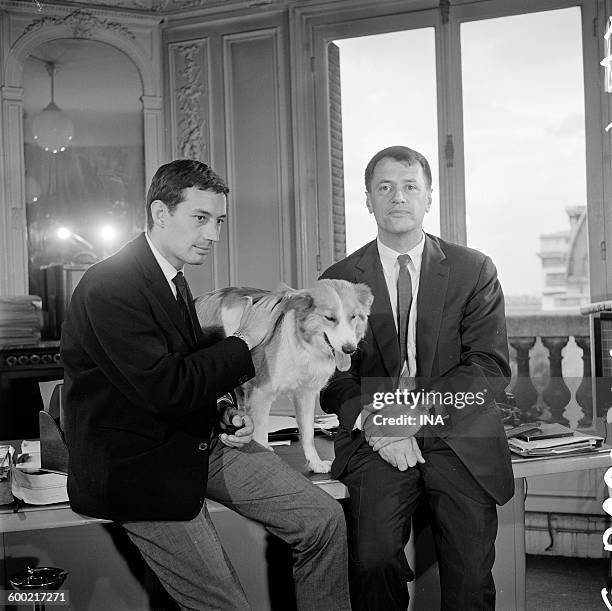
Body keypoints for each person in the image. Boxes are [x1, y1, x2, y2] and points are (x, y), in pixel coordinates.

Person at [61, 159, 351, 611]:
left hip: (198, 442)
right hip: (142, 470)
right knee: (227, 607)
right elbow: (165, 388)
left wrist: (223, 410)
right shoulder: (110, 285)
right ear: (160, 214)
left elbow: (187, 374)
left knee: (323, 519)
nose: (214, 234)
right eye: (200, 218)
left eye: (218, 221)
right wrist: (246, 340)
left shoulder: (171, 280)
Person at [320, 145, 514, 610]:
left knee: (468, 578)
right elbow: (332, 378)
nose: (398, 197)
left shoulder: (473, 270)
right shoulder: (339, 279)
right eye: (385, 187)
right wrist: (381, 424)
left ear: (429, 198)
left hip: (458, 434)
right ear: (368, 199)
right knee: (372, 561)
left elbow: (488, 367)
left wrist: (407, 417)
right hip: (378, 440)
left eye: (410, 187)